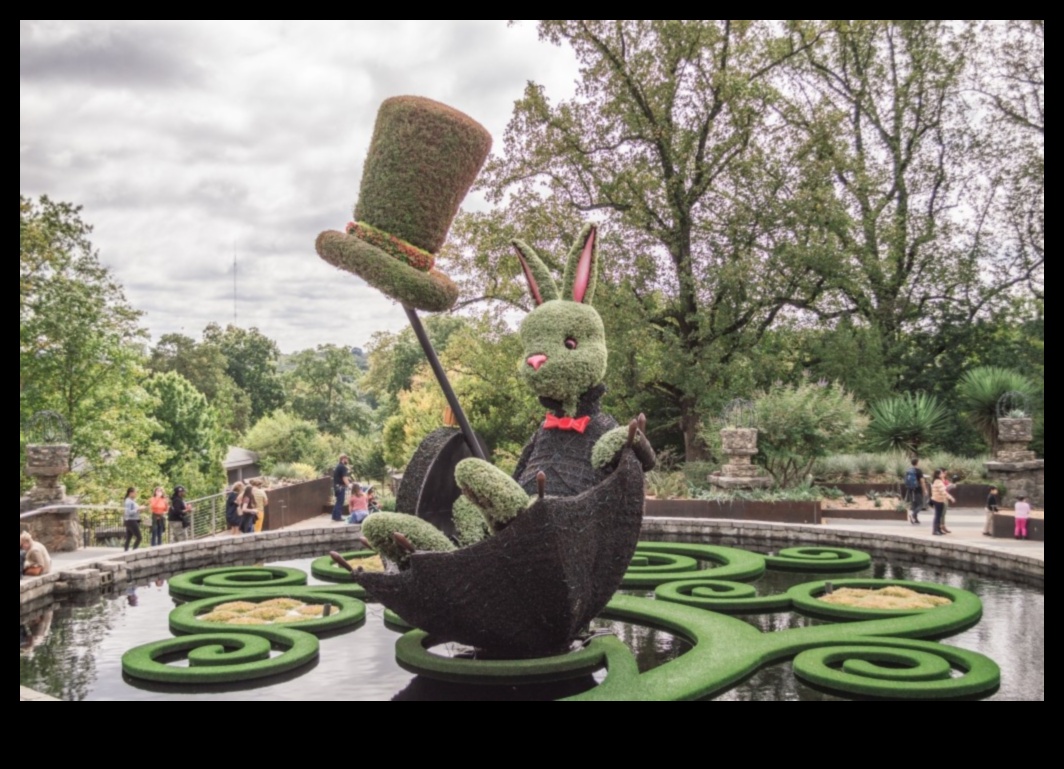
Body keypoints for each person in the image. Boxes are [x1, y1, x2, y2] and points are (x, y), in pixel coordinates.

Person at [930, 470, 956, 536]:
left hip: (938, 500)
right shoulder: (938, 482)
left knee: (939, 515)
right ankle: (935, 530)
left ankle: (938, 529)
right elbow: (943, 492)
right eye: (941, 473)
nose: (943, 474)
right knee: (938, 516)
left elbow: (943, 490)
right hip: (938, 500)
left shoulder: (937, 481)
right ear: (938, 475)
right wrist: (951, 498)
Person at [905, 459, 928, 525]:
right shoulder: (919, 471)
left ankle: (915, 519)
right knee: (920, 504)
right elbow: (922, 482)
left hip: (910, 489)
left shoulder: (909, 470)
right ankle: (913, 515)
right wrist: (925, 490)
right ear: (917, 463)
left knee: (914, 504)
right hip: (918, 489)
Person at [123, 487, 146, 552]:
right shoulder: (128, 502)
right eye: (135, 492)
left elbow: (134, 510)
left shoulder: (132, 501)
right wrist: (138, 509)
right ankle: (134, 551)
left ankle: (126, 551)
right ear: (131, 493)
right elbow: (129, 512)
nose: (136, 494)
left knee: (128, 538)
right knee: (139, 537)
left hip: (132, 520)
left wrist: (140, 509)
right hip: (131, 521)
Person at [332, 455, 352, 522]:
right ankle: (338, 517)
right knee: (340, 502)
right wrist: (349, 485)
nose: (347, 461)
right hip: (340, 487)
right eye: (347, 459)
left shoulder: (338, 466)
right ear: (343, 459)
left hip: (336, 486)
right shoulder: (343, 467)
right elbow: (344, 478)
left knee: (338, 501)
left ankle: (334, 516)